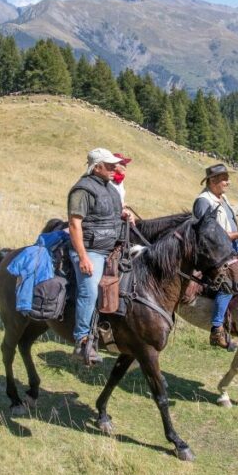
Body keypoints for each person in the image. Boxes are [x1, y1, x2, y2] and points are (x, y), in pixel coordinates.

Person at [67, 147, 130, 365]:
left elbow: (110, 212)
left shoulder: (109, 188)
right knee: (90, 289)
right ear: (97, 167)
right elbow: (75, 225)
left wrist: (123, 214)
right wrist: (83, 257)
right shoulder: (82, 189)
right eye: (110, 165)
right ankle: (82, 340)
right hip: (90, 250)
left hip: (111, 248)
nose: (115, 168)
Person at [193, 163, 238, 350]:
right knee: (228, 283)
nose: (227, 183)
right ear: (213, 181)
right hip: (214, 253)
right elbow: (207, 236)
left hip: (231, 248)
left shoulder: (222, 199)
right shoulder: (203, 201)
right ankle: (217, 329)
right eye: (224, 179)